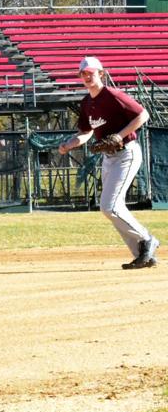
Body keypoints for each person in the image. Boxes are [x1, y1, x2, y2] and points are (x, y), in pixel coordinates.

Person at [58, 56, 159, 270]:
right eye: (83, 74)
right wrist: (69, 144)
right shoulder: (87, 103)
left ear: (101, 74)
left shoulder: (113, 95)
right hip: (109, 158)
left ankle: (147, 239)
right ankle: (143, 255)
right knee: (112, 208)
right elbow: (86, 132)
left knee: (109, 206)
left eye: (91, 73)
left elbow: (143, 115)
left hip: (127, 153)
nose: (87, 76)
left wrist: (120, 135)